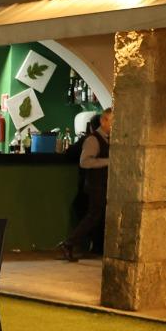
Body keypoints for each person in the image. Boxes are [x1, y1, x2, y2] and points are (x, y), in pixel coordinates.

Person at [57, 107, 110, 262]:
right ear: (103, 121)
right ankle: (69, 243)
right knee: (94, 216)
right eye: (113, 121)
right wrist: (109, 161)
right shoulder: (93, 139)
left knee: (96, 216)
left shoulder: (109, 139)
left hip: (103, 184)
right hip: (96, 185)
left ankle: (72, 244)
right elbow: (85, 162)